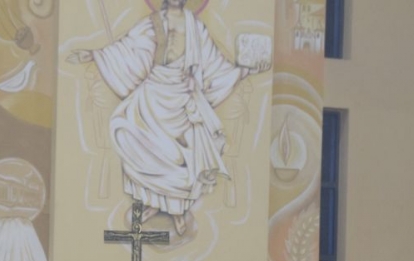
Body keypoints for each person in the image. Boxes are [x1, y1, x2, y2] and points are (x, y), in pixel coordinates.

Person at [67, 0, 270, 235]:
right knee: (139, 143)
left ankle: (177, 210)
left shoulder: (196, 27)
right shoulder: (152, 23)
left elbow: (214, 64)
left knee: (180, 159)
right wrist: (94, 55)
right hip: (153, 94)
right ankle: (153, 204)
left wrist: (245, 71)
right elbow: (129, 51)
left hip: (181, 96)